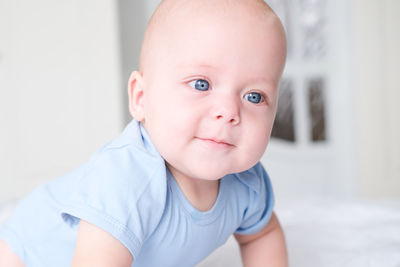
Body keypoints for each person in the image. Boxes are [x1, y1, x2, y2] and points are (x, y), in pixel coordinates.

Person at [0, 0, 288, 266]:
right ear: (141, 97)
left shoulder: (249, 184)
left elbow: (261, 235)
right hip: (26, 254)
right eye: (201, 84)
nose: (228, 111)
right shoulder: (126, 180)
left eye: (253, 96)